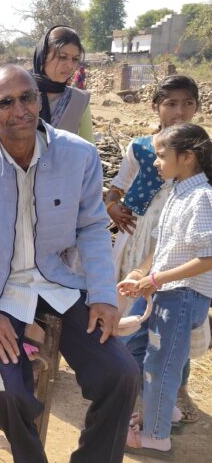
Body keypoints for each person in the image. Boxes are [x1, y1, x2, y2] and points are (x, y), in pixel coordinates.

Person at [0, 64, 140, 463]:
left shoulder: (79, 155)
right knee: (11, 394)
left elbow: (92, 227)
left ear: (40, 101)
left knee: (121, 374)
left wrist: (105, 295)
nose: (19, 109)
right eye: (5, 102)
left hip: (58, 282)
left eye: (27, 97)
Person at [105, 75, 201, 423]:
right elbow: (116, 188)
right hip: (140, 239)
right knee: (133, 309)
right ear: (156, 106)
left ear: (197, 107)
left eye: (187, 103)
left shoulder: (202, 151)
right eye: (171, 103)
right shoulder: (142, 148)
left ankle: (176, 387)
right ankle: (126, 378)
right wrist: (113, 207)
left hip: (181, 243)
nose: (179, 111)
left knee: (173, 316)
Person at [117, 123, 212, 459]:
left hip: (181, 296)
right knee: (133, 350)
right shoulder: (177, 190)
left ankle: (156, 435)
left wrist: (155, 281)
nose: (156, 162)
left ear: (186, 157)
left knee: (162, 363)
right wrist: (141, 272)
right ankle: (164, 412)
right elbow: (163, 244)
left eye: (161, 155)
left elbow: (208, 257)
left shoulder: (201, 198)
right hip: (164, 292)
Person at [0, 25, 93, 143]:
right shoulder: (11, 92)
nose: (70, 65)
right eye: (63, 57)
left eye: (75, 59)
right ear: (43, 56)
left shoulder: (79, 101)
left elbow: (90, 152)